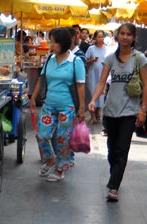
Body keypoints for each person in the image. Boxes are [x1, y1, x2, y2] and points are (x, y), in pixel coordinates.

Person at [88, 23, 147, 202]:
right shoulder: (110, 58)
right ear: (117, 36)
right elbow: (101, 82)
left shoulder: (140, 58)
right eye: (122, 34)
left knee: (122, 149)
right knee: (111, 150)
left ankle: (114, 186)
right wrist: (93, 100)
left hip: (130, 111)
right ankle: (114, 175)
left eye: (128, 34)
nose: (125, 37)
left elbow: (146, 86)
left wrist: (143, 110)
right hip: (111, 110)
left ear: (134, 37)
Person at [28, 27, 86, 182]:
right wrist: (33, 98)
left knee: (62, 139)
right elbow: (42, 79)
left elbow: (80, 85)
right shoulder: (49, 59)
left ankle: (61, 169)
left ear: (63, 43)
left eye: (54, 43)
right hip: (49, 104)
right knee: (42, 134)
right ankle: (50, 160)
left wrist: (81, 108)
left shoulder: (75, 61)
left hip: (68, 107)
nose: (51, 46)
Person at [85, 30, 108, 125]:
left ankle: (98, 111)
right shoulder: (91, 49)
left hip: (103, 74)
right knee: (92, 93)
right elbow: (85, 60)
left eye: (102, 36)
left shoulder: (107, 49)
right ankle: (92, 116)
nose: (101, 39)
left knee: (101, 95)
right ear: (95, 38)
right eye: (98, 37)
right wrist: (92, 60)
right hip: (93, 74)